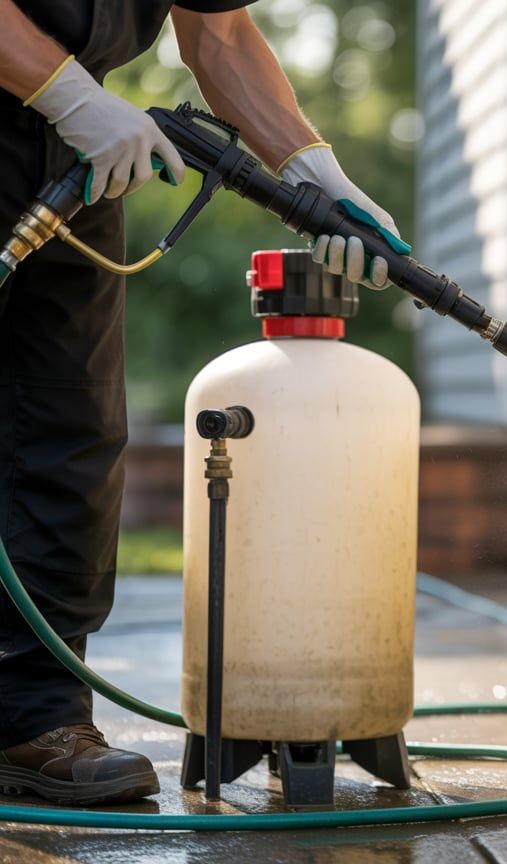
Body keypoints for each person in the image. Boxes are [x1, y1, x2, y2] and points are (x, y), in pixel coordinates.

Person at [0, 0, 394, 806]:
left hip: (82, 149)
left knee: (68, 429)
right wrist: (71, 95)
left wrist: (312, 170)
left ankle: (31, 718)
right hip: (76, 114)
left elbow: (218, 33)